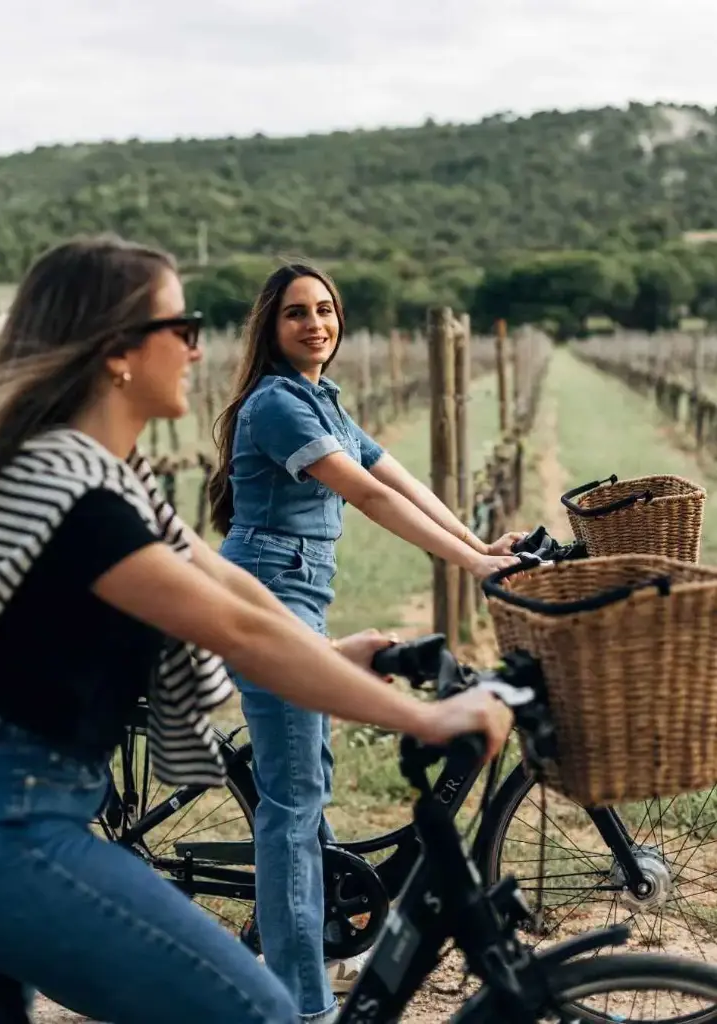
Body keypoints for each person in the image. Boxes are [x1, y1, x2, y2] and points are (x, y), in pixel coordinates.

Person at [0, 235, 513, 1024]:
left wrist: (331, 653)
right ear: (117, 349)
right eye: (179, 327)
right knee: (256, 1009)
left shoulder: (111, 477)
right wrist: (425, 716)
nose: (196, 348)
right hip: (1, 825)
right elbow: (239, 628)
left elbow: (233, 590)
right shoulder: (69, 490)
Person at [209, 262, 523, 1022]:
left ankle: (307, 935)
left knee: (305, 774)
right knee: (291, 805)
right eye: (295, 314)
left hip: (295, 593)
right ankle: (301, 1004)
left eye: (324, 310)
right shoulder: (277, 404)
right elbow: (368, 495)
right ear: (270, 328)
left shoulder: (321, 400)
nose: (315, 323)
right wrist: (472, 564)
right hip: (268, 596)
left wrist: (480, 544)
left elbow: (401, 477)